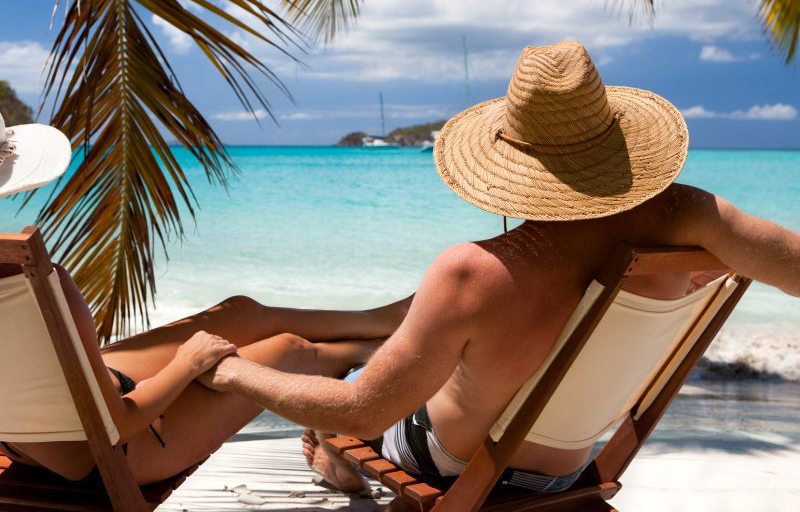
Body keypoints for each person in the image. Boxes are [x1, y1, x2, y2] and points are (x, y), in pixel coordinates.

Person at [198, 40, 800, 497]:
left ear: (510, 161)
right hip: (572, 470)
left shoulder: (473, 273)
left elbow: (365, 413)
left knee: (363, 379)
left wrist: (228, 373)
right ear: (616, 142)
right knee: (396, 352)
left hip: (457, 466)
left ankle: (335, 458)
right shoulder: (691, 216)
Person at [0, 80, 409, 485]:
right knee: (286, 352)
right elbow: (118, 425)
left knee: (242, 311)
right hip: (109, 455)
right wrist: (187, 364)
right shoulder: (21, 276)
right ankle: (381, 380)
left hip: (30, 430)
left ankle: (388, 322)